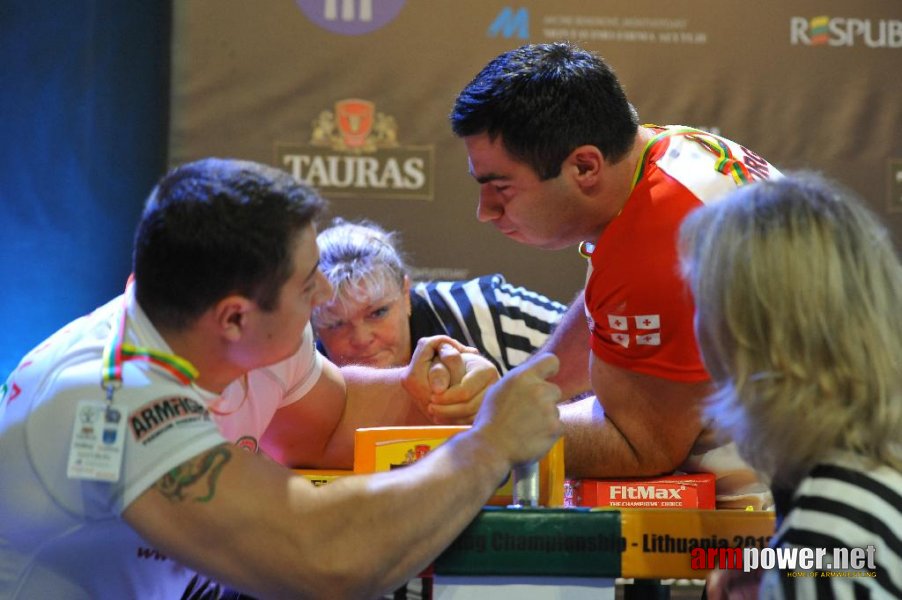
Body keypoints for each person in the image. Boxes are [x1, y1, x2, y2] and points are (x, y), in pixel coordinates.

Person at [0, 158, 564, 599]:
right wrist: (488, 446)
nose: (323, 296)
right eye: (307, 284)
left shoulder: (251, 344)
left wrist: (446, 389)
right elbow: (325, 561)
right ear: (235, 316)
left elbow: (331, 423)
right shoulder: (110, 398)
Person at [450, 41, 782, 508]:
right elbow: (607, 315)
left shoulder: (657, 247)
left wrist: (484, 430)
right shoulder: (665, 150)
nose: (486, 211)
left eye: (500, 187)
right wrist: (523, 386)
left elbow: (639, 445)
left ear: (584, 166)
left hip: (802, 532)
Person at [679, 174, 902, 597]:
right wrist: (775, 565)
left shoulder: (827, 531)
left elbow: (837, 551)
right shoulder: (868, 473)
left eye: (701, 301)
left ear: (747, 334)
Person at [312, 218, 590, 399]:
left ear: (406, 294)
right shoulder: (300, 365)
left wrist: (505, 412)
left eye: (377, 313)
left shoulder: (488, 312)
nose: (361, 338)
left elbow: (603, 355)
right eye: (336, 323)